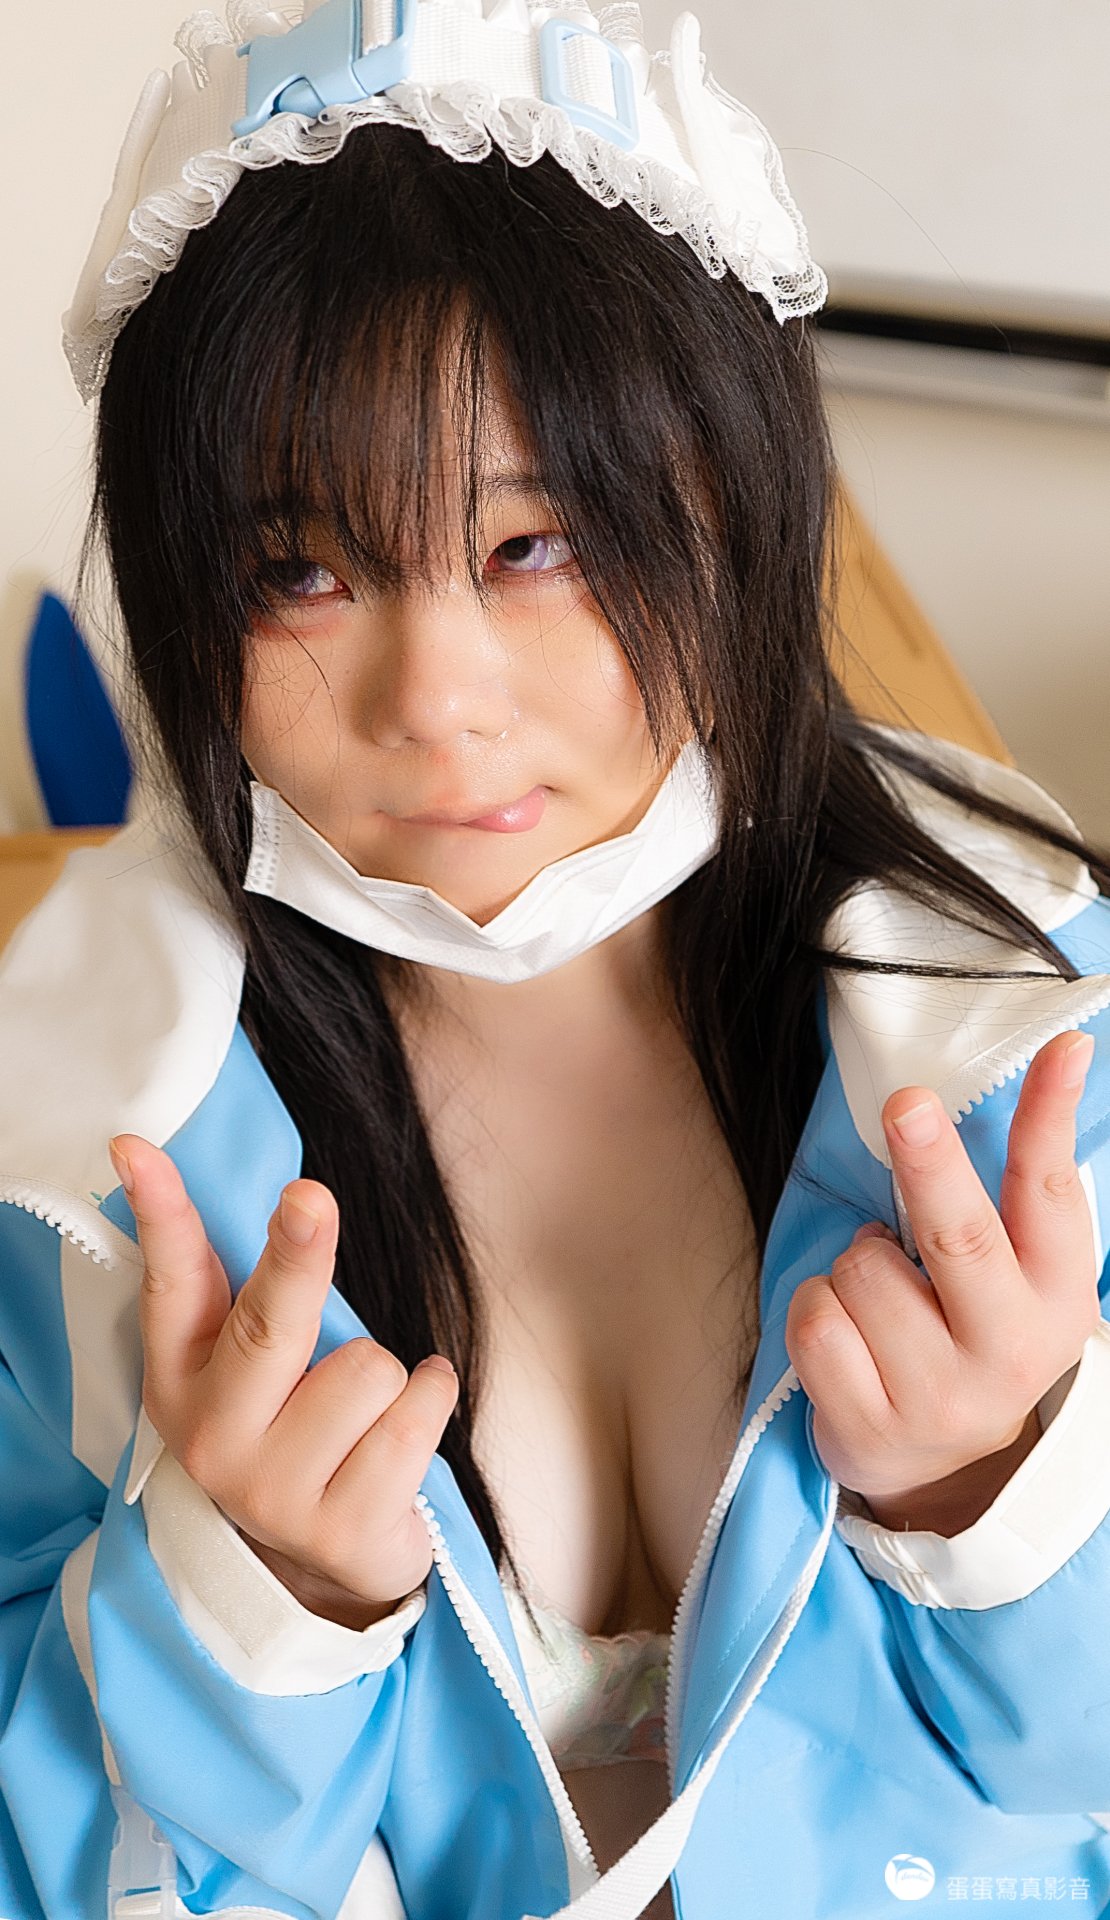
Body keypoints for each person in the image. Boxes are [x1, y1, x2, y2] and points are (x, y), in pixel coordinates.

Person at [4, 2, 1110, 1915]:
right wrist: (252, 1611)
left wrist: (993, 1502)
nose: (435, 699)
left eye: (539, 544)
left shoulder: (1031, 1030)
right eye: (300, 570)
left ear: (740, 507)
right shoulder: (75, 1162)